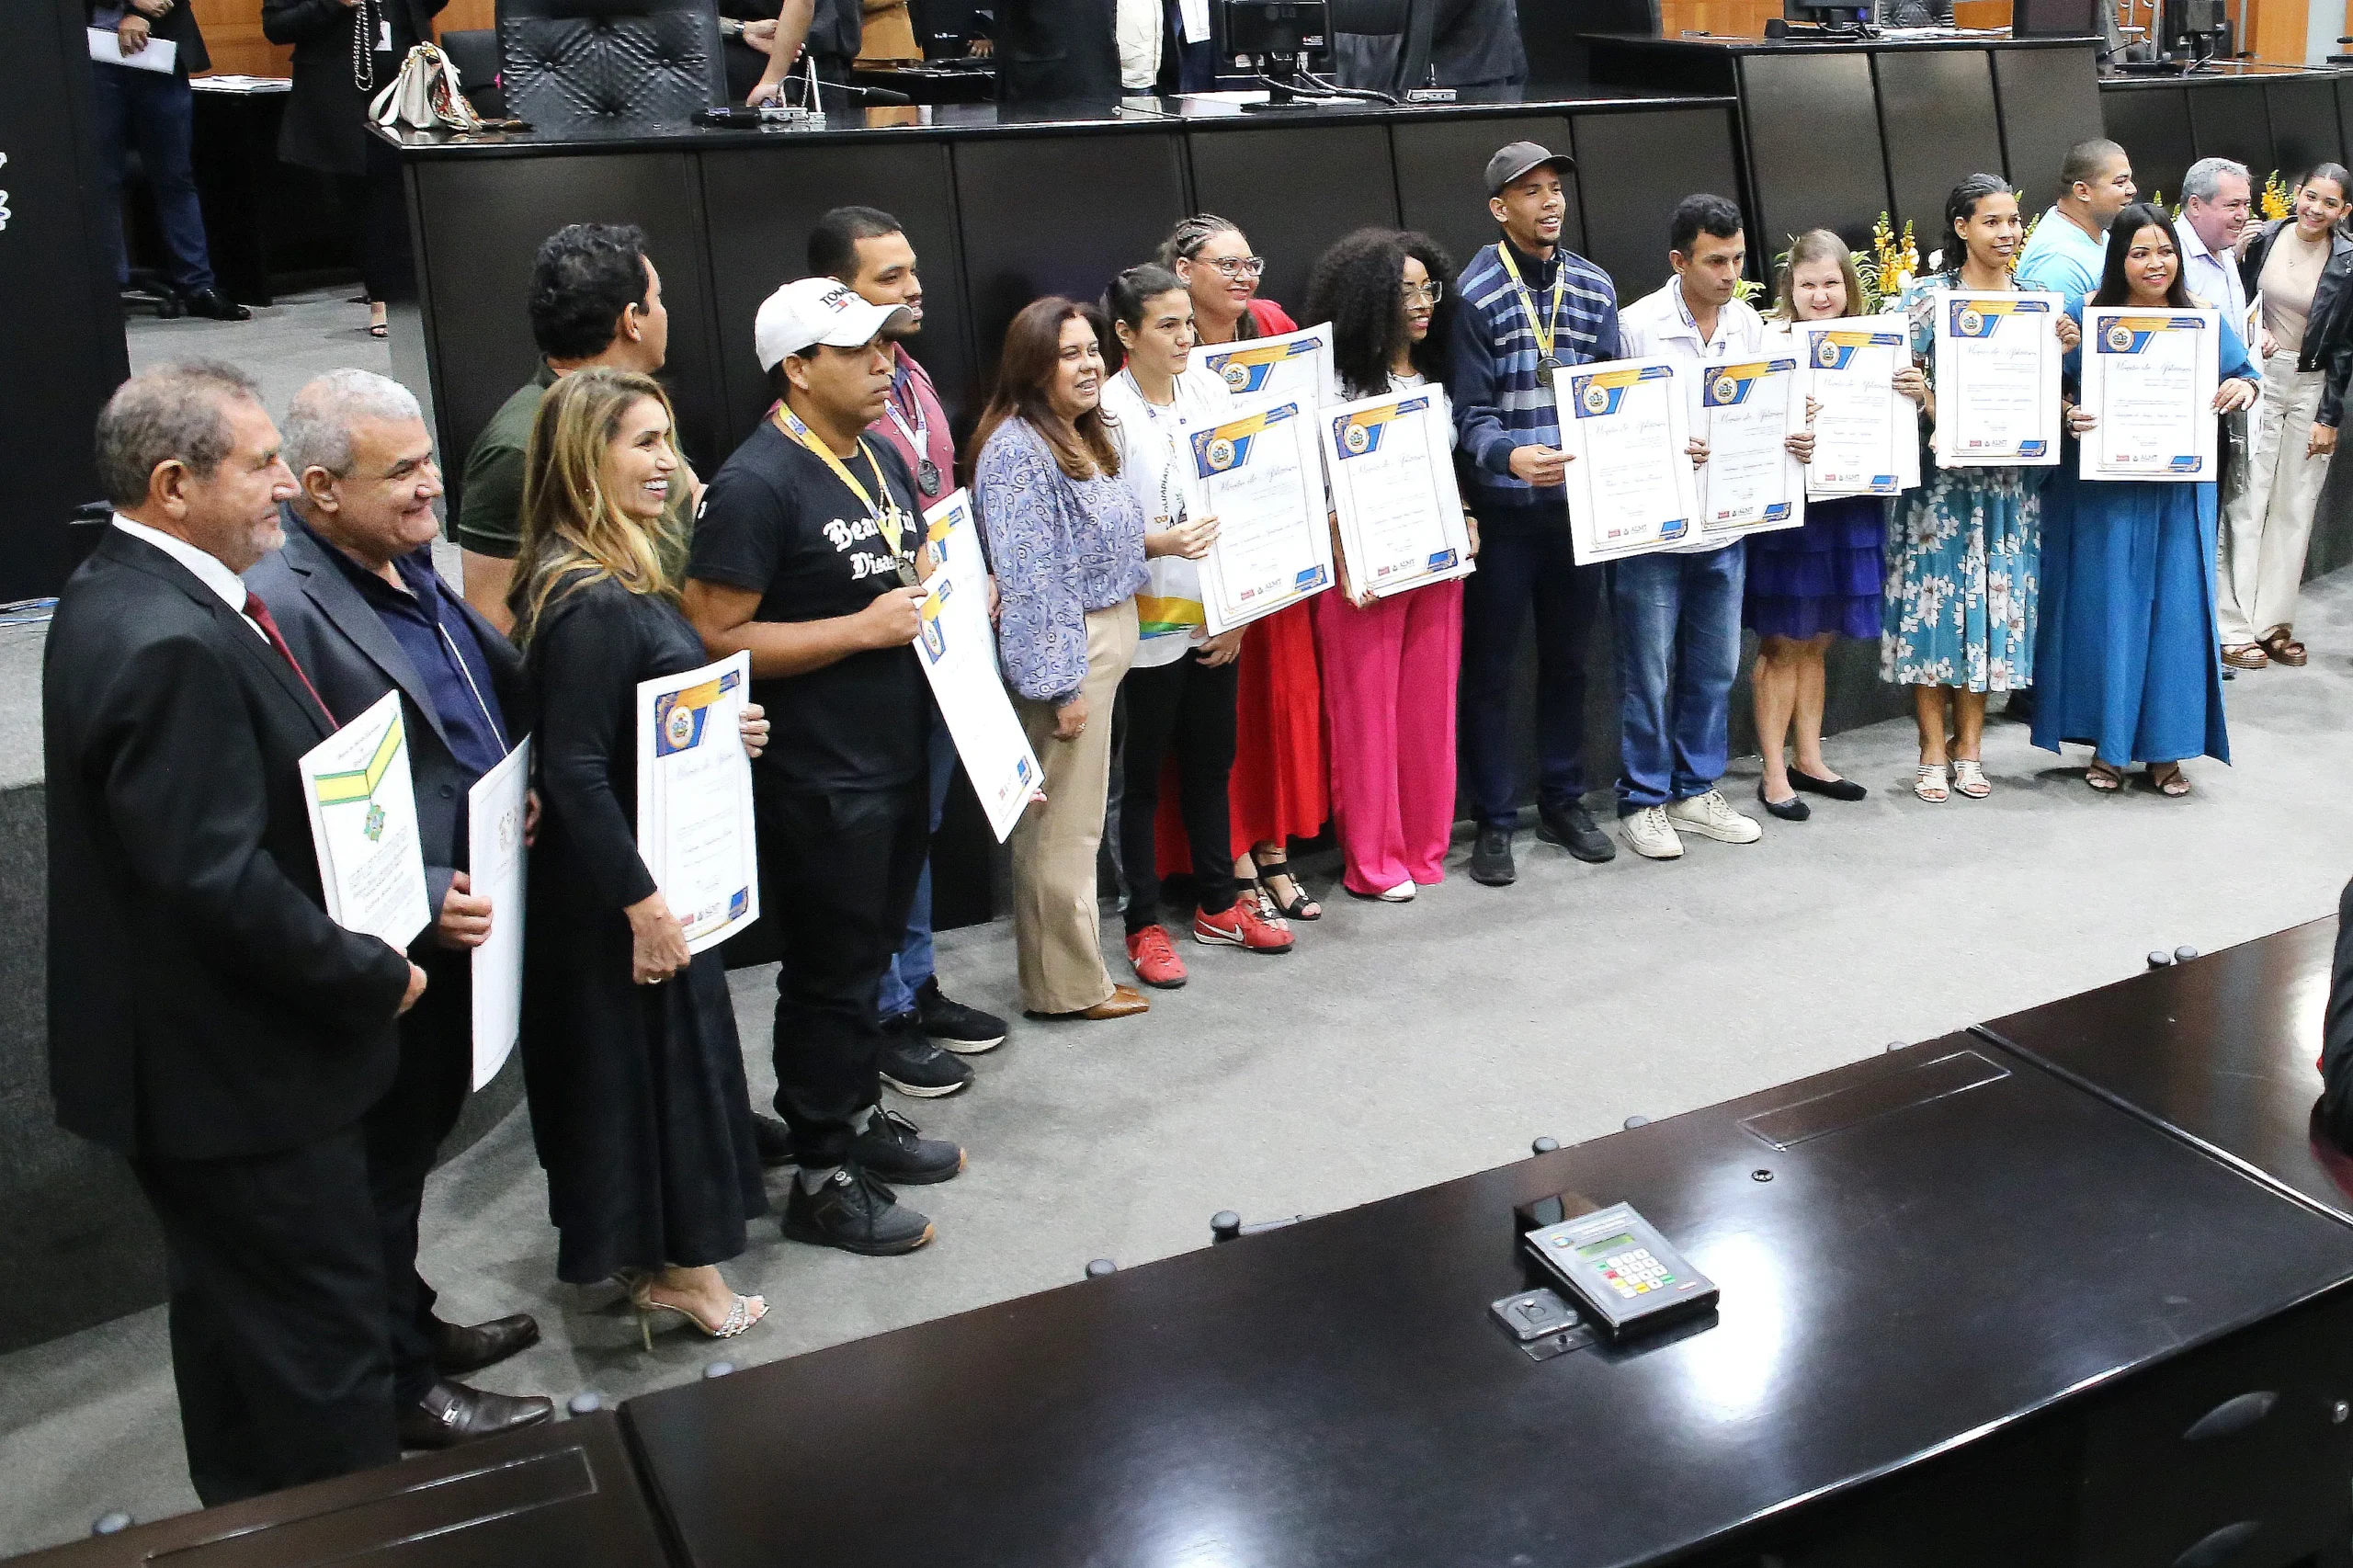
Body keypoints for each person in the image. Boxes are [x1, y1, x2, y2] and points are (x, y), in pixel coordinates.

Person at [48, 362, 427, 1505]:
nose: (285, 486)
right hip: (237, 1079)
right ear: (174, 484)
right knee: (321, 1359)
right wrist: (368, 972)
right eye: (261, 463)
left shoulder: (131, 592)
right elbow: (213, 880)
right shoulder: (166, 639)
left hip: (202, 1073)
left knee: (239, 1341)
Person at [244, 370, 552, 1446]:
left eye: (429, 458)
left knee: (407, 1152)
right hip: (397, 942)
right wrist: (424, 889)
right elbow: (302, 801)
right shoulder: (282, 608)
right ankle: (401, 1380)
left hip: (477, 901)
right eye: (405, 471)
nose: (433, 488)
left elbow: (475, 695)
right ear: (319, 488)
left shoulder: (401, 561)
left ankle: (410, 1324)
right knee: (377, 1172)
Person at [685, 278, 965, 1256]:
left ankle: (851, 1116)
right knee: (828, 973)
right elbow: (713, 635)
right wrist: (859, 628)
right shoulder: (756, 483)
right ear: (797, 369)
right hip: (818, 776)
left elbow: (904, 573)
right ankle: (818, 1169)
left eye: (886, 345)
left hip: (893, 756)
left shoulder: (881, 453)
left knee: (866, 960)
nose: (885, 362)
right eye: (857, 350)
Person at [506, 369, 773, 1338]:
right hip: (625, 894)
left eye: (668, 439)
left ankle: (662, 1263)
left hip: (639, 874)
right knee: (651, 1080)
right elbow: (574, 767)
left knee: (646, 1079)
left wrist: (715, 727)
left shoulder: (608, 574)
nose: (667, 462)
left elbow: (623, 729)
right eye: (643, 443)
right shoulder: (589, 600)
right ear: (588, 457)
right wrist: (644, 905)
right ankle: (684, 1276)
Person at [809, 206, 1008, 1082]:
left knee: (923, 825)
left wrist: (975, 574)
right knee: (883, 836)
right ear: (834, 298)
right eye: (889, 278)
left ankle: (915, 983)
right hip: (870, 657)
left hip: (941, 635)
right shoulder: (824, 406)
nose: (914, 289)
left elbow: (941, 499)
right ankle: (882, 1008)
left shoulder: (914, 374)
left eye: (913, 270)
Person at [1097, 264, 1291, 987]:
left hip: (1216, 614)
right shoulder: (1106, 413)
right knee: (1141, 782)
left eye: (1188, 323)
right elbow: (1095, 532)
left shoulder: (1211, 389)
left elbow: (1248, 501)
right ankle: (1142, 922)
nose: (1186, 337)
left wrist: (1241, 611)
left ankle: (1219, 903)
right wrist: (1160, 544)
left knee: (1212, 766)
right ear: (1126, 334)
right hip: (1143, 621)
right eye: (1167, 326)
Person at [2033, 204, 2256, 796]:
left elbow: (2247, 375)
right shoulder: (2087, 320)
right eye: (2140, 252)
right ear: (2119, 259)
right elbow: (2050, 389)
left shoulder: (2199, 319)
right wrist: (2066, 410)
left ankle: (2167, 748)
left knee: (2176, 615)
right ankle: (2108, 746)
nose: (2155, 263)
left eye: (2164, 251)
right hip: (2105, 490)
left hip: (2179, 488)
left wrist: (2242, 385)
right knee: (2107, 611)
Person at [970, 296, 1153, 1020]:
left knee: (1079, 823)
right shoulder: (1017, 451)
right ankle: (1065, 989)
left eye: (1090, 351)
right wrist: (1059, 685)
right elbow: (1030, 578)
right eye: (1069, 354)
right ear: (1032, 365)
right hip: (1070, 654)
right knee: (1062, 831)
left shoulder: (1075, 434)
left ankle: (1076, 977)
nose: (1088, 365)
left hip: (1104, 640)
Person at [1449, 142, 1619, 886]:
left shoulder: (1593, 286)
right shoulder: (1474, 292)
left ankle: (1562, 798)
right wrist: (1507, 457)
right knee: (1489, 670)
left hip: (1576, 513)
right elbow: (1468, 412)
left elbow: (1616, 396)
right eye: (1531, 192)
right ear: (1499, 208)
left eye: (1556, 189)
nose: (1550, 202)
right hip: (1507, 513)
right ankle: (1492, 818)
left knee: (1570, 664)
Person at [1157, 214, 1328, 923]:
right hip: (1206, 564)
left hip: (1276, 552)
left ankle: (1273, 847)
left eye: (1249, 261)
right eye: (1224, 265)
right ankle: (1226, 859)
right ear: (1182, 271)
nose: (1242, 276)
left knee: (1276, 712)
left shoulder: (1271, 323)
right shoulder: (1163, 348)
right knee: (1220, 721)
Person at [1885, 174, 2076, 802]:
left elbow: (2052, 395)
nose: (2008, 233)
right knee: (1935, 611)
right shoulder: (1924, 299)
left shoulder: (2039, 301)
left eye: (2014, 220)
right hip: (1939, 489)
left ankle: (1970, 748)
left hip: (2007, 489)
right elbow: (1888, 373)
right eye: (1992, 221)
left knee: (1988, 617)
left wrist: (2066, 354)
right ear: (1962, 227)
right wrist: (1926, 399)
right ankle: (1930, 748)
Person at [1610, 194, 1786, 859]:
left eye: (1738, 258)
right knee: (1648, 672)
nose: (1730, 274)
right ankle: (1644, 797)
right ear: (1679, 260)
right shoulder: (1637, 326)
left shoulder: (1748, 324)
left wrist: (1794, 431)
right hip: (1654, 532)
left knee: (1714, 669)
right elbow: (1609, 427)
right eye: (1716, 261)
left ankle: (1695, 788)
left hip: (1727, 528)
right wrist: (1663, 446)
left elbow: (1774, 404)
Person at [1302, 228, 1476, 900]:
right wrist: (1335, 530)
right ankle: (1373, 861)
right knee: (1366, 718)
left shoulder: (1437, 372)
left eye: (1428, 287)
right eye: (1404, 291)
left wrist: (1466, 516)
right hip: (1360, 572)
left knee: (1429, 715)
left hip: (1435, 564)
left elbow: (1446, 467)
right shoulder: (1333, 384)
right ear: (1369, 298)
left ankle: (1425, 847)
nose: (1421, 302)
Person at [1747, 229, 1927, 820]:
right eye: (1808, 285)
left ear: (1849, 286)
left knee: (1819, 637)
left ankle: (1809, 758)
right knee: (1783, 640)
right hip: (1793, 512)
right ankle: (1773, 773)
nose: (1821, 296)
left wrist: (1913, 390)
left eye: (1831, 283)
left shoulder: (1883, 345)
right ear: (1789, 289)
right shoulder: (1769, 344)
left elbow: (1907, 419)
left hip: (1851, 501)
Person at [457, 224, 681, 636]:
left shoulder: (640, 410)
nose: (666, 313)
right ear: (632, 321)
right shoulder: (517, 447)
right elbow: (495, 621)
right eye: (659, 299)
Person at [2221, 165, 2352, 672]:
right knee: (2247, 497)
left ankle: (2272, 624)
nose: (2316, 209)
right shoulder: (2264, 238)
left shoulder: (2347, 259)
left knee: (2296, 503)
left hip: (2312, 384)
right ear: (2297, 194)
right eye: (2310, 196)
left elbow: (2344, 346)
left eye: (2330, 203)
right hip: (2259, 378)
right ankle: (2232, 624)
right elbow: (2238, 305)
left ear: (2344, 212)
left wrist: (2329, 415)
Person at [262, 0, 449, 339]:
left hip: (409, 81)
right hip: (342, 90)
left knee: (406, 191)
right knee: (368, 197)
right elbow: (277, 27)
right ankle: (383, 298)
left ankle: (417, 297)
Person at [86, 0, 249, 321]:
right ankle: (108, 289)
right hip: (91, 57)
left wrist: (142, 13)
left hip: (159, 51)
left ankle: (198, 286)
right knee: (100, 180)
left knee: (176, 178)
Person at [2177, 158, 2254, 339]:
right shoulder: (2168, 253)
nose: (2243, 215)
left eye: (2246, 205)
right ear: (2195, 205)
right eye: (2233, 205)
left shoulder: (2223, 245)